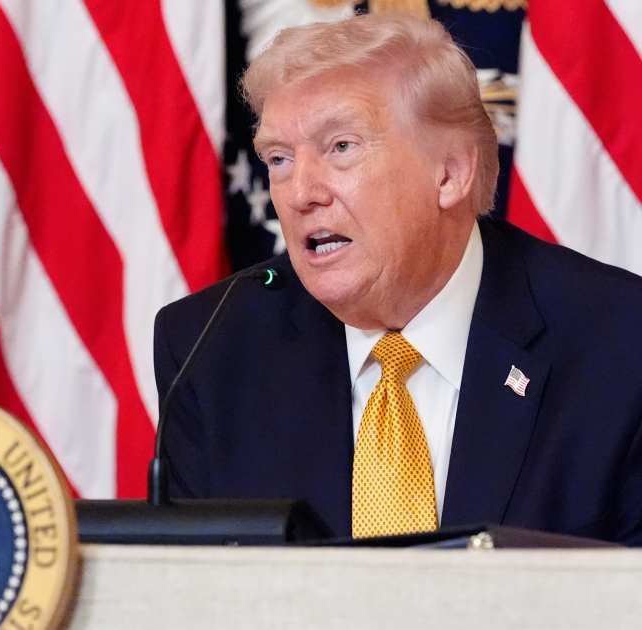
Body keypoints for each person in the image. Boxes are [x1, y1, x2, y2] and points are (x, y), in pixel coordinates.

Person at [154, 13, 642, 544]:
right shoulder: (211, 347)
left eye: (341, 147)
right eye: (279, 158)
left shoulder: (619, 344)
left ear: (451, 173)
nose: (300, 194)